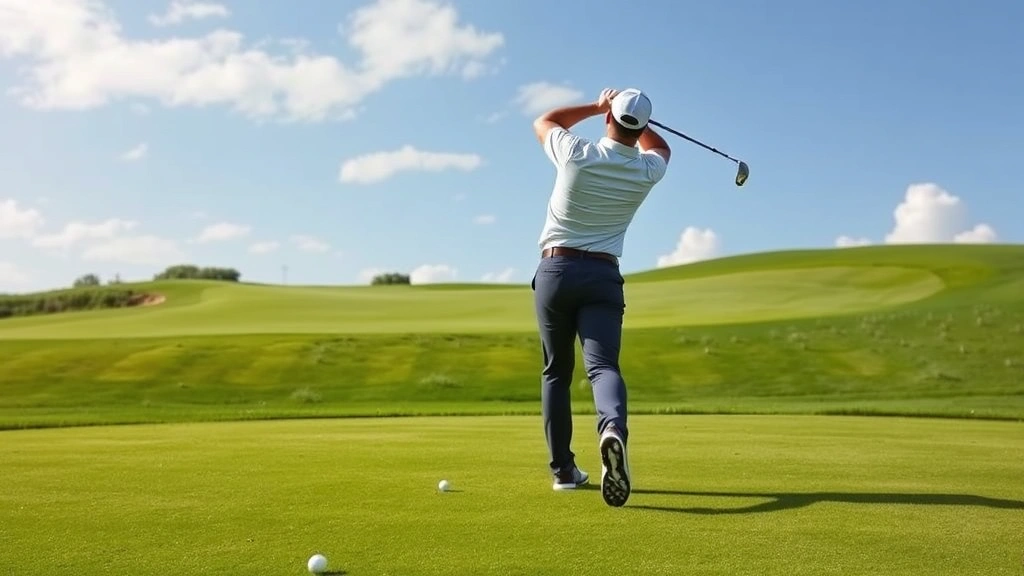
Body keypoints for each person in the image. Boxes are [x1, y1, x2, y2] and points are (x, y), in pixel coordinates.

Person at [530, 88, 672, 507]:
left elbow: (545, 120)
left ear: (610, 119)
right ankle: (612, 429)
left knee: (557, 371)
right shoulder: (648, 170)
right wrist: (642, 125)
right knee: (603, 367)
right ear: (642, 127)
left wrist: (595, 107)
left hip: (556, 270)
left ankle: (564, 472)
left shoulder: (575, 152)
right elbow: (661, 147)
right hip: (603, 276)